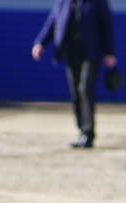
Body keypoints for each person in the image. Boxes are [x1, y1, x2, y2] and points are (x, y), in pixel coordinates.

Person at [31, 0, 118, 149]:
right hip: (71, 53)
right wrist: (40, 43)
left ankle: (89, 133)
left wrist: (110, 52)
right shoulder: (64, 2)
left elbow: (107, 25)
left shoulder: (97, 2)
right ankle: (82, 131)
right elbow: (52, 21)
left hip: (92, 54)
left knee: (85, 89)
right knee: (76, 93)